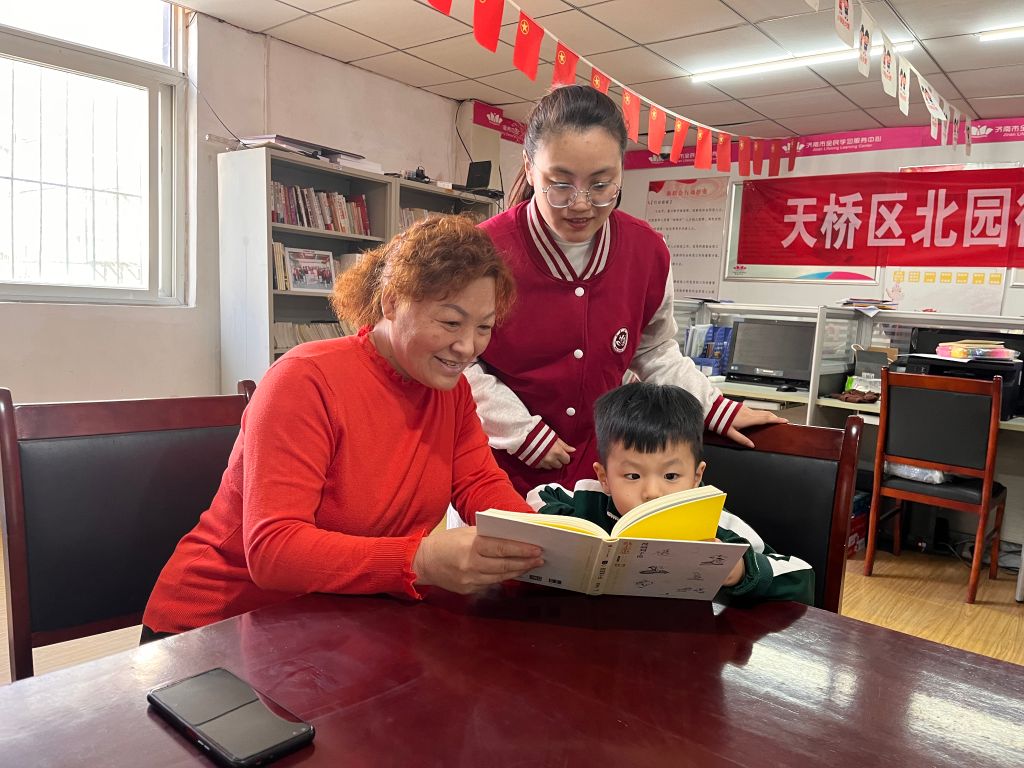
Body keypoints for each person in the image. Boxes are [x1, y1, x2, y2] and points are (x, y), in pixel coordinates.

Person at [142, 215, 544, 637]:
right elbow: (274, 550)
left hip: (338, 621)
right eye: (450, 322)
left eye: (484, 327)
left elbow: (481, 484)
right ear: (391, 302)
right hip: (218, 627)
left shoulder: (452, 392)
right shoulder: (306, 379)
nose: (467, 347)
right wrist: (420, 560)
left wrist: (549, 547)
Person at [468, 85, 782, 496]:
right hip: (498, 467)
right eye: (559, 184)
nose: (581, 204)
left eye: (601, 185)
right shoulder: (483, 251)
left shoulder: (646, 250)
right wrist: (519, 430)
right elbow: (459, 361)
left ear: (621, 172)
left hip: (603, 471)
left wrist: (716, 408)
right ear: (529, 169)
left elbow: (653, 350)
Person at [527, 382, 814, 604]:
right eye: (633, 476)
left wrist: (740, 570)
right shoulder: (590, 500)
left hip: (688, 645)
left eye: (671, 476)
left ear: (696, 477)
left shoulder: (716, 524)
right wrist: (566, 530)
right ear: (604, 478)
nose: (652, 493)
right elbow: (540, 494)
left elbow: (801, 576)